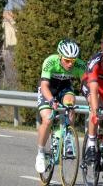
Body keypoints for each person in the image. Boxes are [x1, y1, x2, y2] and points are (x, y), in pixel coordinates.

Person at [35, 39, 87, 173]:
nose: (70, 64)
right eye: (67, 60)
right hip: (48, 90)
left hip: (64, 89)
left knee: (71, 103)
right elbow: (44, 86)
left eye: (73, 61)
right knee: (47, 119)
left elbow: (86, 85)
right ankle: (40, 153)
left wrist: (92, 101)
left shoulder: (80, 65)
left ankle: (68, 136)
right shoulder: (50, 61)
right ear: (59, 57)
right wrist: (52, 100)